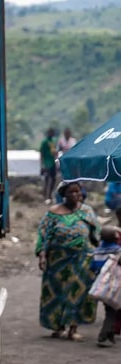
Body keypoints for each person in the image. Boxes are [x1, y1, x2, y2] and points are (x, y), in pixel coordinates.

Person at [36, 180, 99, 340]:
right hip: (57, 261)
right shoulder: (53, 213)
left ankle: (73, 328)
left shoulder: (87, 211)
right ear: (63, 194)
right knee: (56, 293)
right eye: (71, 192)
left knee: (77, 293)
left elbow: (96, 236)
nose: (76, 195)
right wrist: (42, 255)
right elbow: (44, 236)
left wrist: (100, 255)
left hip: (82, 259)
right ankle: (58, 326)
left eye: (78, 191)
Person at [92, 225, 121, 347]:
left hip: (103, 285)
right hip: (116, 284)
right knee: (112, 310)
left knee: (110, 309)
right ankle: (103, 336)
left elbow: (93, 267)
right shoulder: (118, 251)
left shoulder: (97, 251)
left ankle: (109, 335)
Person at [40, 128, 58, 201]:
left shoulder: (53, 141)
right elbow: (41, 153)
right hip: (46, 163)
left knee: (53, 179)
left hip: (52, 162)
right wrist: (42, 165)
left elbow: (54, 151)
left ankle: (50, 194)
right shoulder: (44, 141)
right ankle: (45, 195)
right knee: (47, 179)